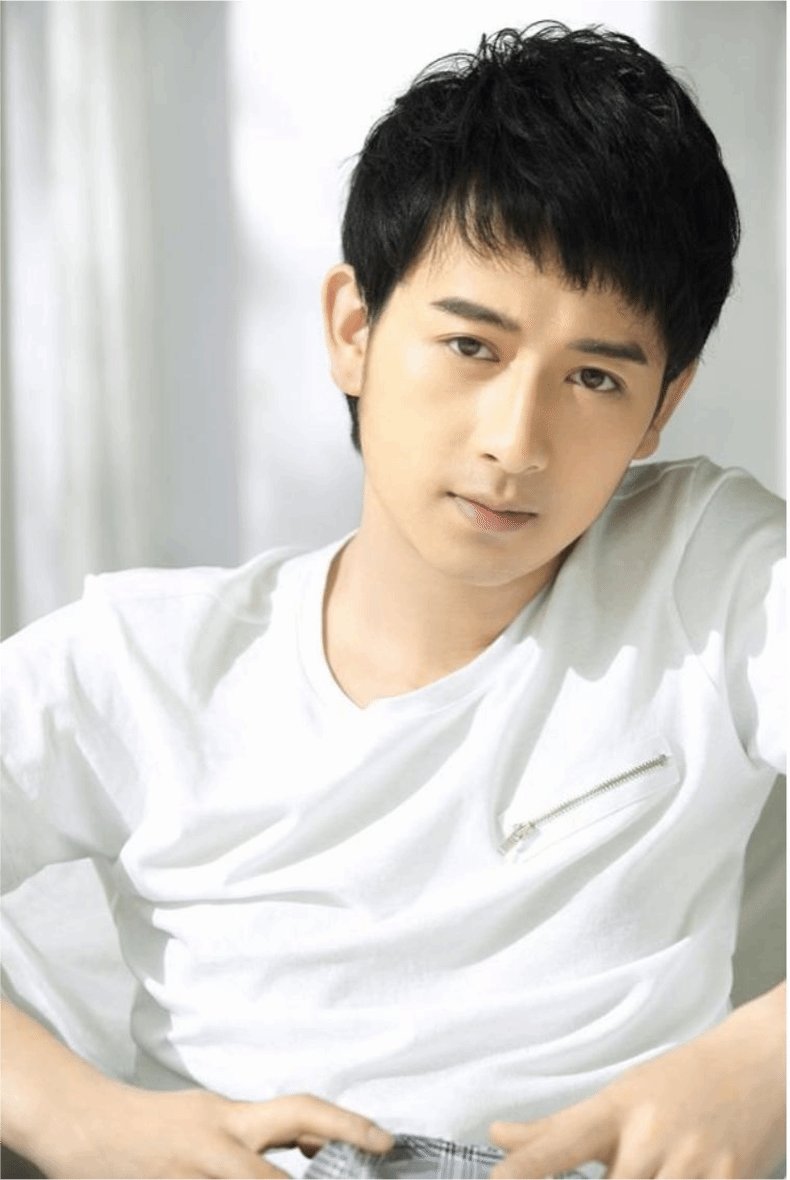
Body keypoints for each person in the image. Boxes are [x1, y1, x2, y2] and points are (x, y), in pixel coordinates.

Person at [1, 21, 785, 1180]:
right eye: (471, 346)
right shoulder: (146, 662)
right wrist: (78, 1119)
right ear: (354, 331)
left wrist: (767, 1055)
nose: (515, 442)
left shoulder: (709, 574)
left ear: (660, 407)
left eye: (593, 377)